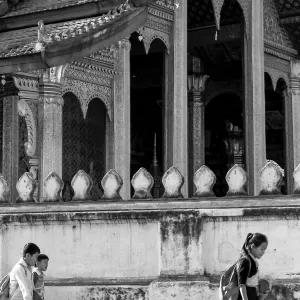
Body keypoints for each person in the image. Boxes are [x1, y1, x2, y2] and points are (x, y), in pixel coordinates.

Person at [237, 233, 268, 300]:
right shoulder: (246, 261)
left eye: (264, 250)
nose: (263, 252)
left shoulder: (253, 261)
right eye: (262, 249)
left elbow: (252, 283)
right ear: (253, 246)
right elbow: (242, 284)